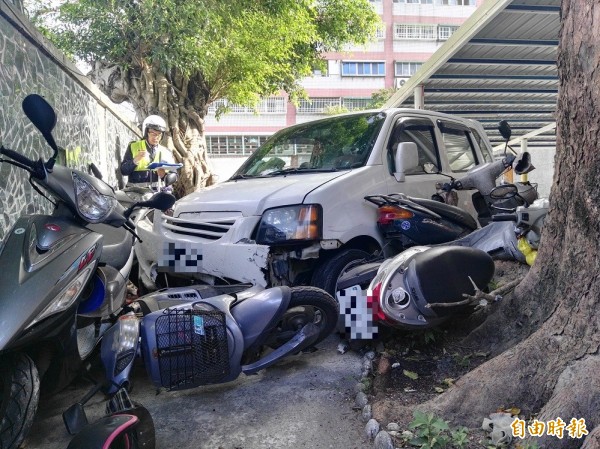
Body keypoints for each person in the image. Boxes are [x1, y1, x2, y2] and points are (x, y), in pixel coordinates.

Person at [120, 114, 175, 187]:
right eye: (153, 133)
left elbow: (174, 175)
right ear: (146, 133)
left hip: (158, 194)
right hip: (136, 194)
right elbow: (123, 171)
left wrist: (165, 176)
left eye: (159, 134)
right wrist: (135, 160)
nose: (156, 137)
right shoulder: (133, 146)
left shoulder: (166, 152)